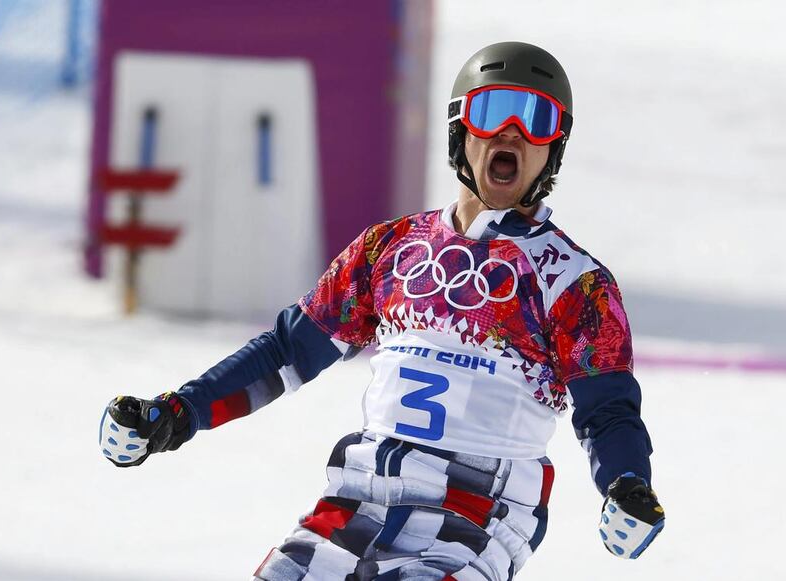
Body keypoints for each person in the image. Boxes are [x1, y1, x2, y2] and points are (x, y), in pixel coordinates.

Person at [99, 42, 665, 579]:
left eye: (535, 121)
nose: (511, 134)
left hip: (473, 520)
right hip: (354, 504)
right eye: (492, 111)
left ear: (553, 148)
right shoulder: (389, 250)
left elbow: (607, 411)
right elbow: (288, 350)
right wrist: (178, 413)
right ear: (460, 129)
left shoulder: (572, 282)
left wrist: (627, 483)